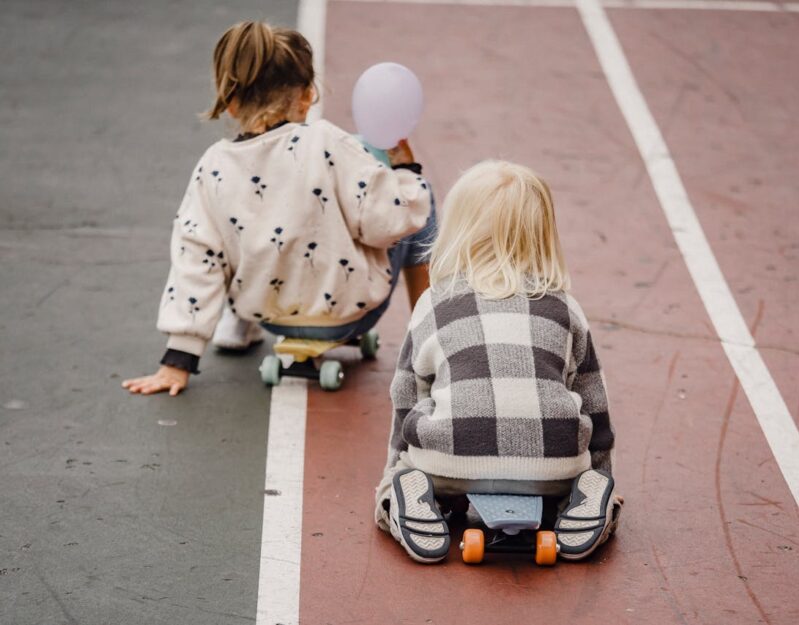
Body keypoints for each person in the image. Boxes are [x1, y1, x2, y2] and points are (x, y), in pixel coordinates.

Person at [122, 21, 435, 396]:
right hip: (345, 317)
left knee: (237, 230)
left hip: (271, 317)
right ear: (307, 96)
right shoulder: (327, 143)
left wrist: (178, 360)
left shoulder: (214, 164)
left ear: (232, 104)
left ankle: (238, 323)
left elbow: (197, 255)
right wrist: (405, 169)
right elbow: (390, 222)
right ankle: (427, 336)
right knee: (417, 199)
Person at [374, 160, 621, 563]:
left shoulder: (434, 304)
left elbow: (405, 392)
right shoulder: (565, 307)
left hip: (447, 463)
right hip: (554, 470)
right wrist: (599, 471)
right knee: (579, 467)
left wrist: (395, 469)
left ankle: (405, 495)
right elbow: (593, 397)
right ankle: (587, 497)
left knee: (409, 467)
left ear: (457, 231)